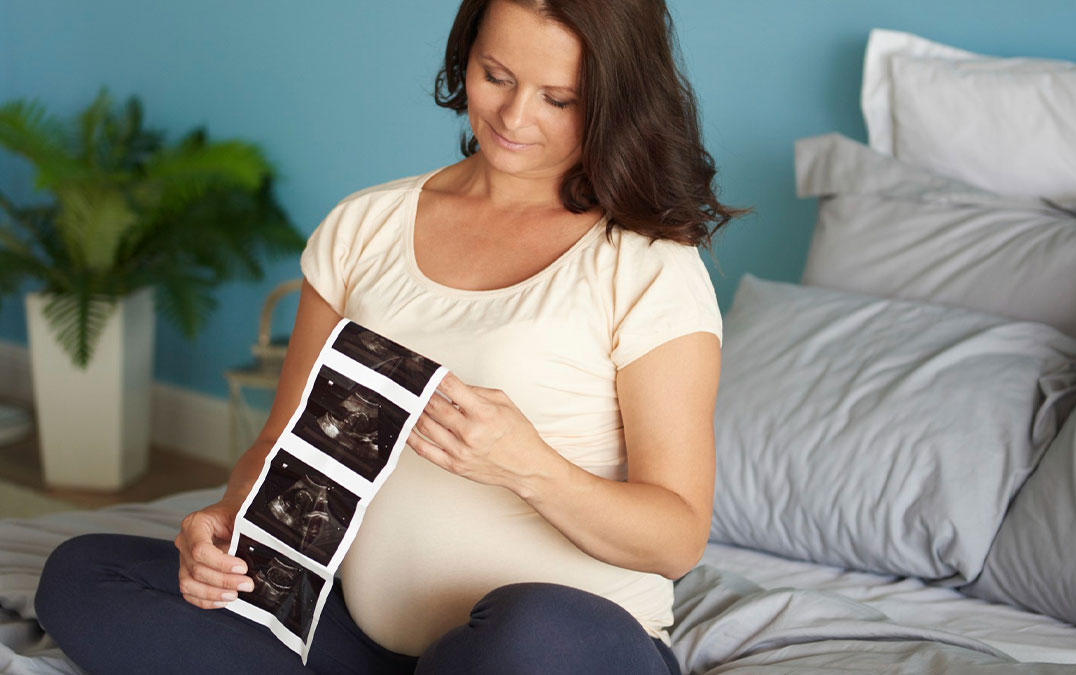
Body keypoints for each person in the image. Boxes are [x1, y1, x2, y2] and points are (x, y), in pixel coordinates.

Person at [35, 0, 744, 672]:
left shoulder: (647, 263)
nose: (513, 115)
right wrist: (228, 522)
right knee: (85, 573)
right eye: (495, 75)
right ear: (466, 54)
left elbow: (676, 535)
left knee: (529, 638)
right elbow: (276, 447)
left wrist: (529, 466)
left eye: (558, 99)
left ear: (613, 100)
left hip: (552, 648)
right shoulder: (364, 226)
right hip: (352, 635)